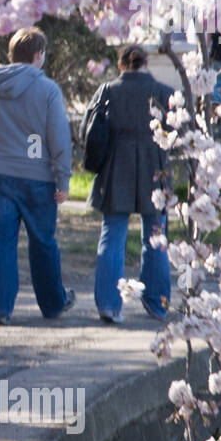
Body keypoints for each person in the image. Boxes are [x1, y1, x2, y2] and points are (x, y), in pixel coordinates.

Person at [0, 25, 76, 324]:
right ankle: (53, 303)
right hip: (38, 177)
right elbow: (59, 138)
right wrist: (64, 178)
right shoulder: (47, 90)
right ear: (38, 55)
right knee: (43, 241)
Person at [81, 45, 174, 323]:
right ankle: (157, 303)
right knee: (156, 236)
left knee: (112, 235)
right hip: (155, 165)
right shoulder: (164, 92)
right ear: (146, 64)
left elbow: (88, 128)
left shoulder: (107, 90)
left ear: (121, 66)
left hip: (115, 165)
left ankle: (109, 304)